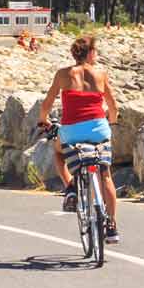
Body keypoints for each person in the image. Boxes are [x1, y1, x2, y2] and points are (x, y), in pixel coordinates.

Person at [38, 36, 122, 243]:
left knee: (58, 151)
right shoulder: (101, 74)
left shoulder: (63, 74)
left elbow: (47, 104)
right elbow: (113, 107)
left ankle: (70, 187)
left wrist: (43, 121)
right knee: (106, 175)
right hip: (98, 130)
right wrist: (112, 121)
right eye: (96, 50)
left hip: (72, 131)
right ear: (90, 53)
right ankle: (111, 225)